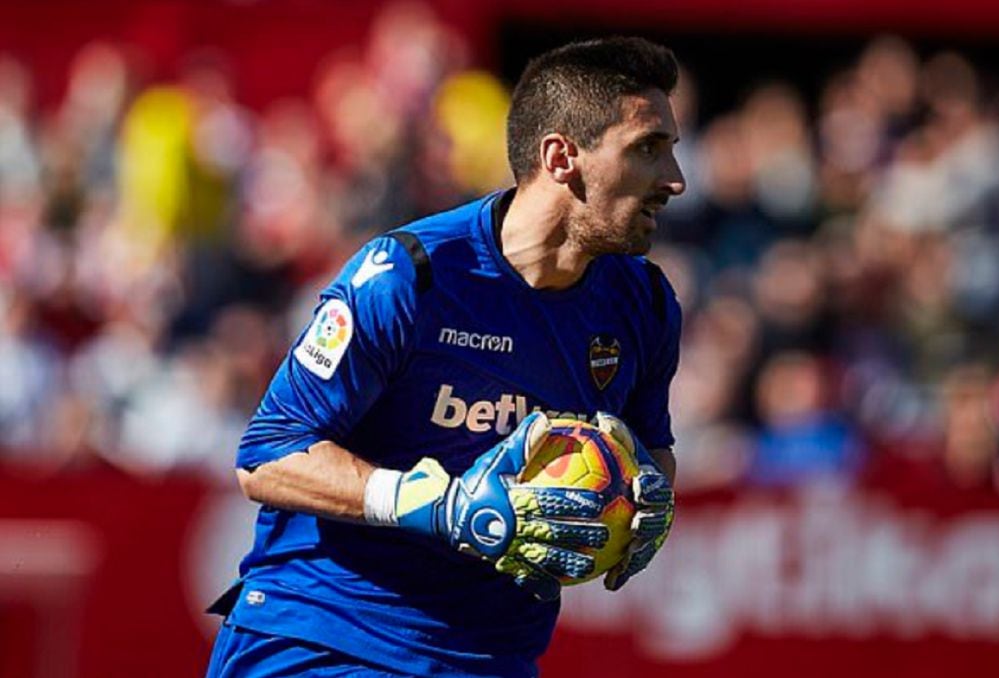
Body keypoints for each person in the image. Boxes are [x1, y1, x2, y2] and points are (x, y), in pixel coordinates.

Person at [206, 36, 685, 677]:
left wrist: (647, 498)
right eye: (647, 150)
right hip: (325, 636)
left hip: (491, 656)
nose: (675, 180)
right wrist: (440, 505)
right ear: (562, 157)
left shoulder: (645, 305)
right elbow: (268, 456)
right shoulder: (411, 275)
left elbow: (650, 449)